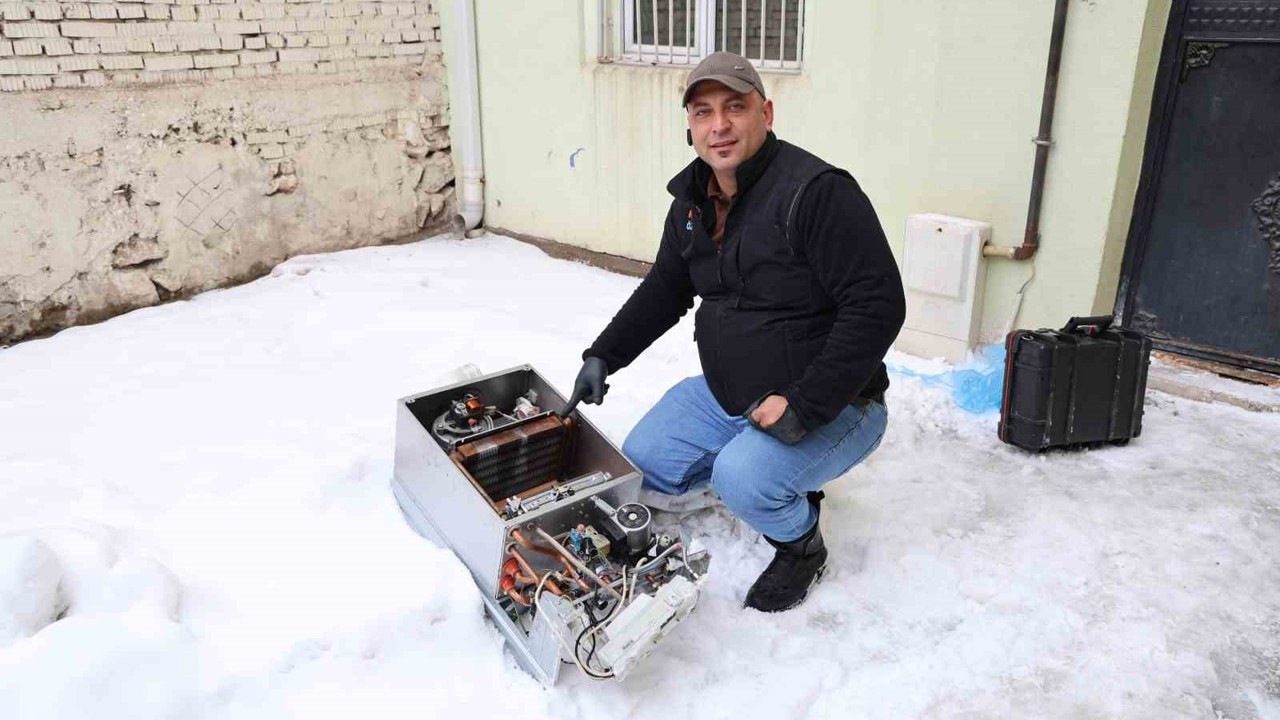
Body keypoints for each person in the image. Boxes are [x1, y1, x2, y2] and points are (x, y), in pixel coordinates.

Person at [563, 52, 906, 613]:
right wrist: (605, 354)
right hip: (733, 390)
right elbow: (667, 289)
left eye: (735, 107)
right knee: (644, 458)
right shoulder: (693, 206)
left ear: (765, 113)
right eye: (704, 112)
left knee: (742, 477)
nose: (719, 125)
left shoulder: (816, 192)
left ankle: (800, 543)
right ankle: (760, 473)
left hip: (838, 402)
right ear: (690, 128)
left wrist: (803, 404)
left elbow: (878, 306)